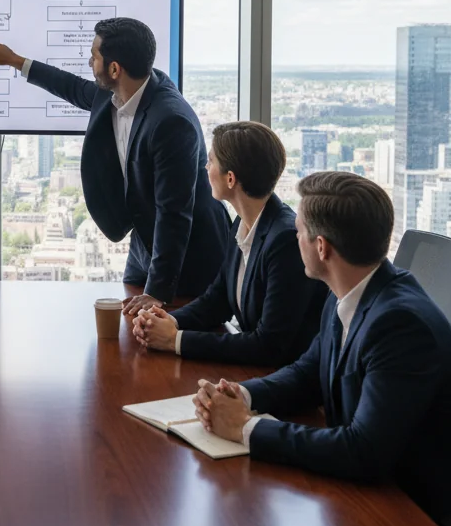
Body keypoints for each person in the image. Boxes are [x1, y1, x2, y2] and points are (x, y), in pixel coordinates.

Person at [193, 171, 451, 521]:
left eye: (299, 231)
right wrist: (240, 396)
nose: (294, 236)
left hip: (424, 518)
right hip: (377, 491)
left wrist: (246, 428)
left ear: (322, 247)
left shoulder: (401, 326)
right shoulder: (352, 291)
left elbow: (363, 451)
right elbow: (308, 374)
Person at [0, 18, 229, 311]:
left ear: (114, 69)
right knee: (130, 323)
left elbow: (174, 214)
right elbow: (70, 86)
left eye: (94, 56)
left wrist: (158, 292)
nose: (89, 61)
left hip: (188, 253)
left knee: (168, 337)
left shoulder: (171, 122)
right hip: (144, 240)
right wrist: (14, 61)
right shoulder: (117, 91)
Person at [133, 121, 327, 365]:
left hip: (284, 382)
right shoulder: (243, 223)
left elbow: (269, 345)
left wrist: (176, 340)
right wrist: (166, 321)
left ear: (231, 178)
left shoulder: (284, 240)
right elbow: (218, 299)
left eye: (211, 161)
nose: (206, 166)